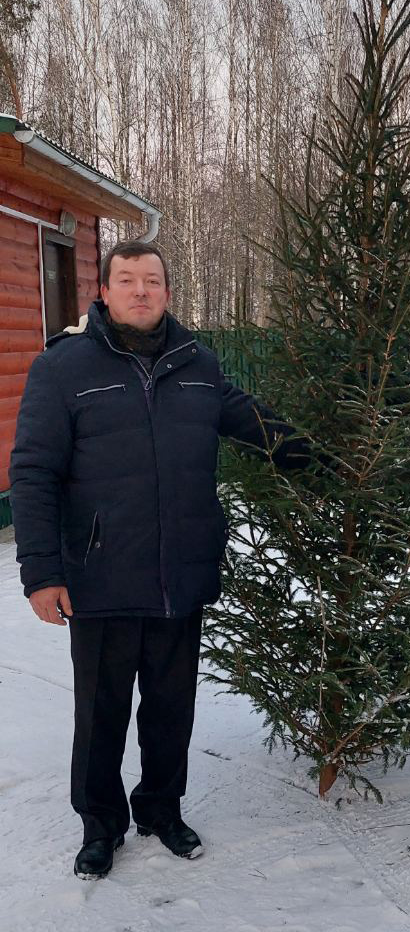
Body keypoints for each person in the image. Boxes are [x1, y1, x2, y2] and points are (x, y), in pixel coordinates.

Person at [11, 240, 313, 881]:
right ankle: (100, 826)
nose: (141, 291)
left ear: (168, 292)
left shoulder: (197, 361)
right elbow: (33, 472)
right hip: (101, 571)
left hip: (182, 569)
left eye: (152, 281)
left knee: (171, 706)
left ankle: (161, 808)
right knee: (101, 712)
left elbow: (243, 416)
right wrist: (43, 572)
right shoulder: (63, 367)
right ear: (105, 291)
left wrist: (309, 449)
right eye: (127, 281)